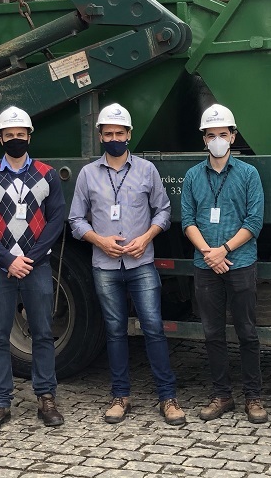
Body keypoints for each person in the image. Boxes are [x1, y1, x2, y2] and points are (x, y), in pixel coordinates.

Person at [68, 103, 186, 426]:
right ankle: (120, 396)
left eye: (120, 133)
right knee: (116, 331)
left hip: (141, 263)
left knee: (153, 328)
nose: (114, 138)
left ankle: (168, 397)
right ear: (100, 136)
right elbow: (76, 220)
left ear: (130, 135)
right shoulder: (88, 174)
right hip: (104, 266)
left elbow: (163, 212)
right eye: (108, 133)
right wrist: (100, 240)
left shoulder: (147, 170)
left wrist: (146, 237)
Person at [0, 106, 67, 433]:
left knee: (42, 332)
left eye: (20, 134)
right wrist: (6, 259)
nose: (15, 139)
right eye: (9, 135)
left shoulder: (47, 174)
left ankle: (46, 397)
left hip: (36, 265)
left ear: (29, 135)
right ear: (0, 138)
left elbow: (56, 220)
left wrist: (31, 257)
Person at [181, 103, 267, 423]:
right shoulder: (192, 176)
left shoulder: (248, 174)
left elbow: (254, 220)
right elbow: (187, 220)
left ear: (232, 136)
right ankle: (221, 395)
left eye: (223, 133)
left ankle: (253, 397)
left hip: (240, 262)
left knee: (247, 332)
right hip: (206, 265)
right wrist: (209, 253)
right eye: (210, 134)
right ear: (204, 139)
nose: (217, 139)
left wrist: (224, 250)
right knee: (212, 333)